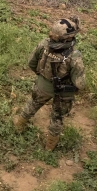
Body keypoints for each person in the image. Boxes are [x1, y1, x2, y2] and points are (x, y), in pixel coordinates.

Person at [13, 17, 85, 151]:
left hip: (43, 85)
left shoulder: (44, 44)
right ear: (68, 38)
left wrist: (42, 76)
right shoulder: (74, 55)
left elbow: (31, 63)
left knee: (33, 104)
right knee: (57, 117)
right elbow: (80, 83)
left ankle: (19, 126)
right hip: (63, 92)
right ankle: (49, 146)